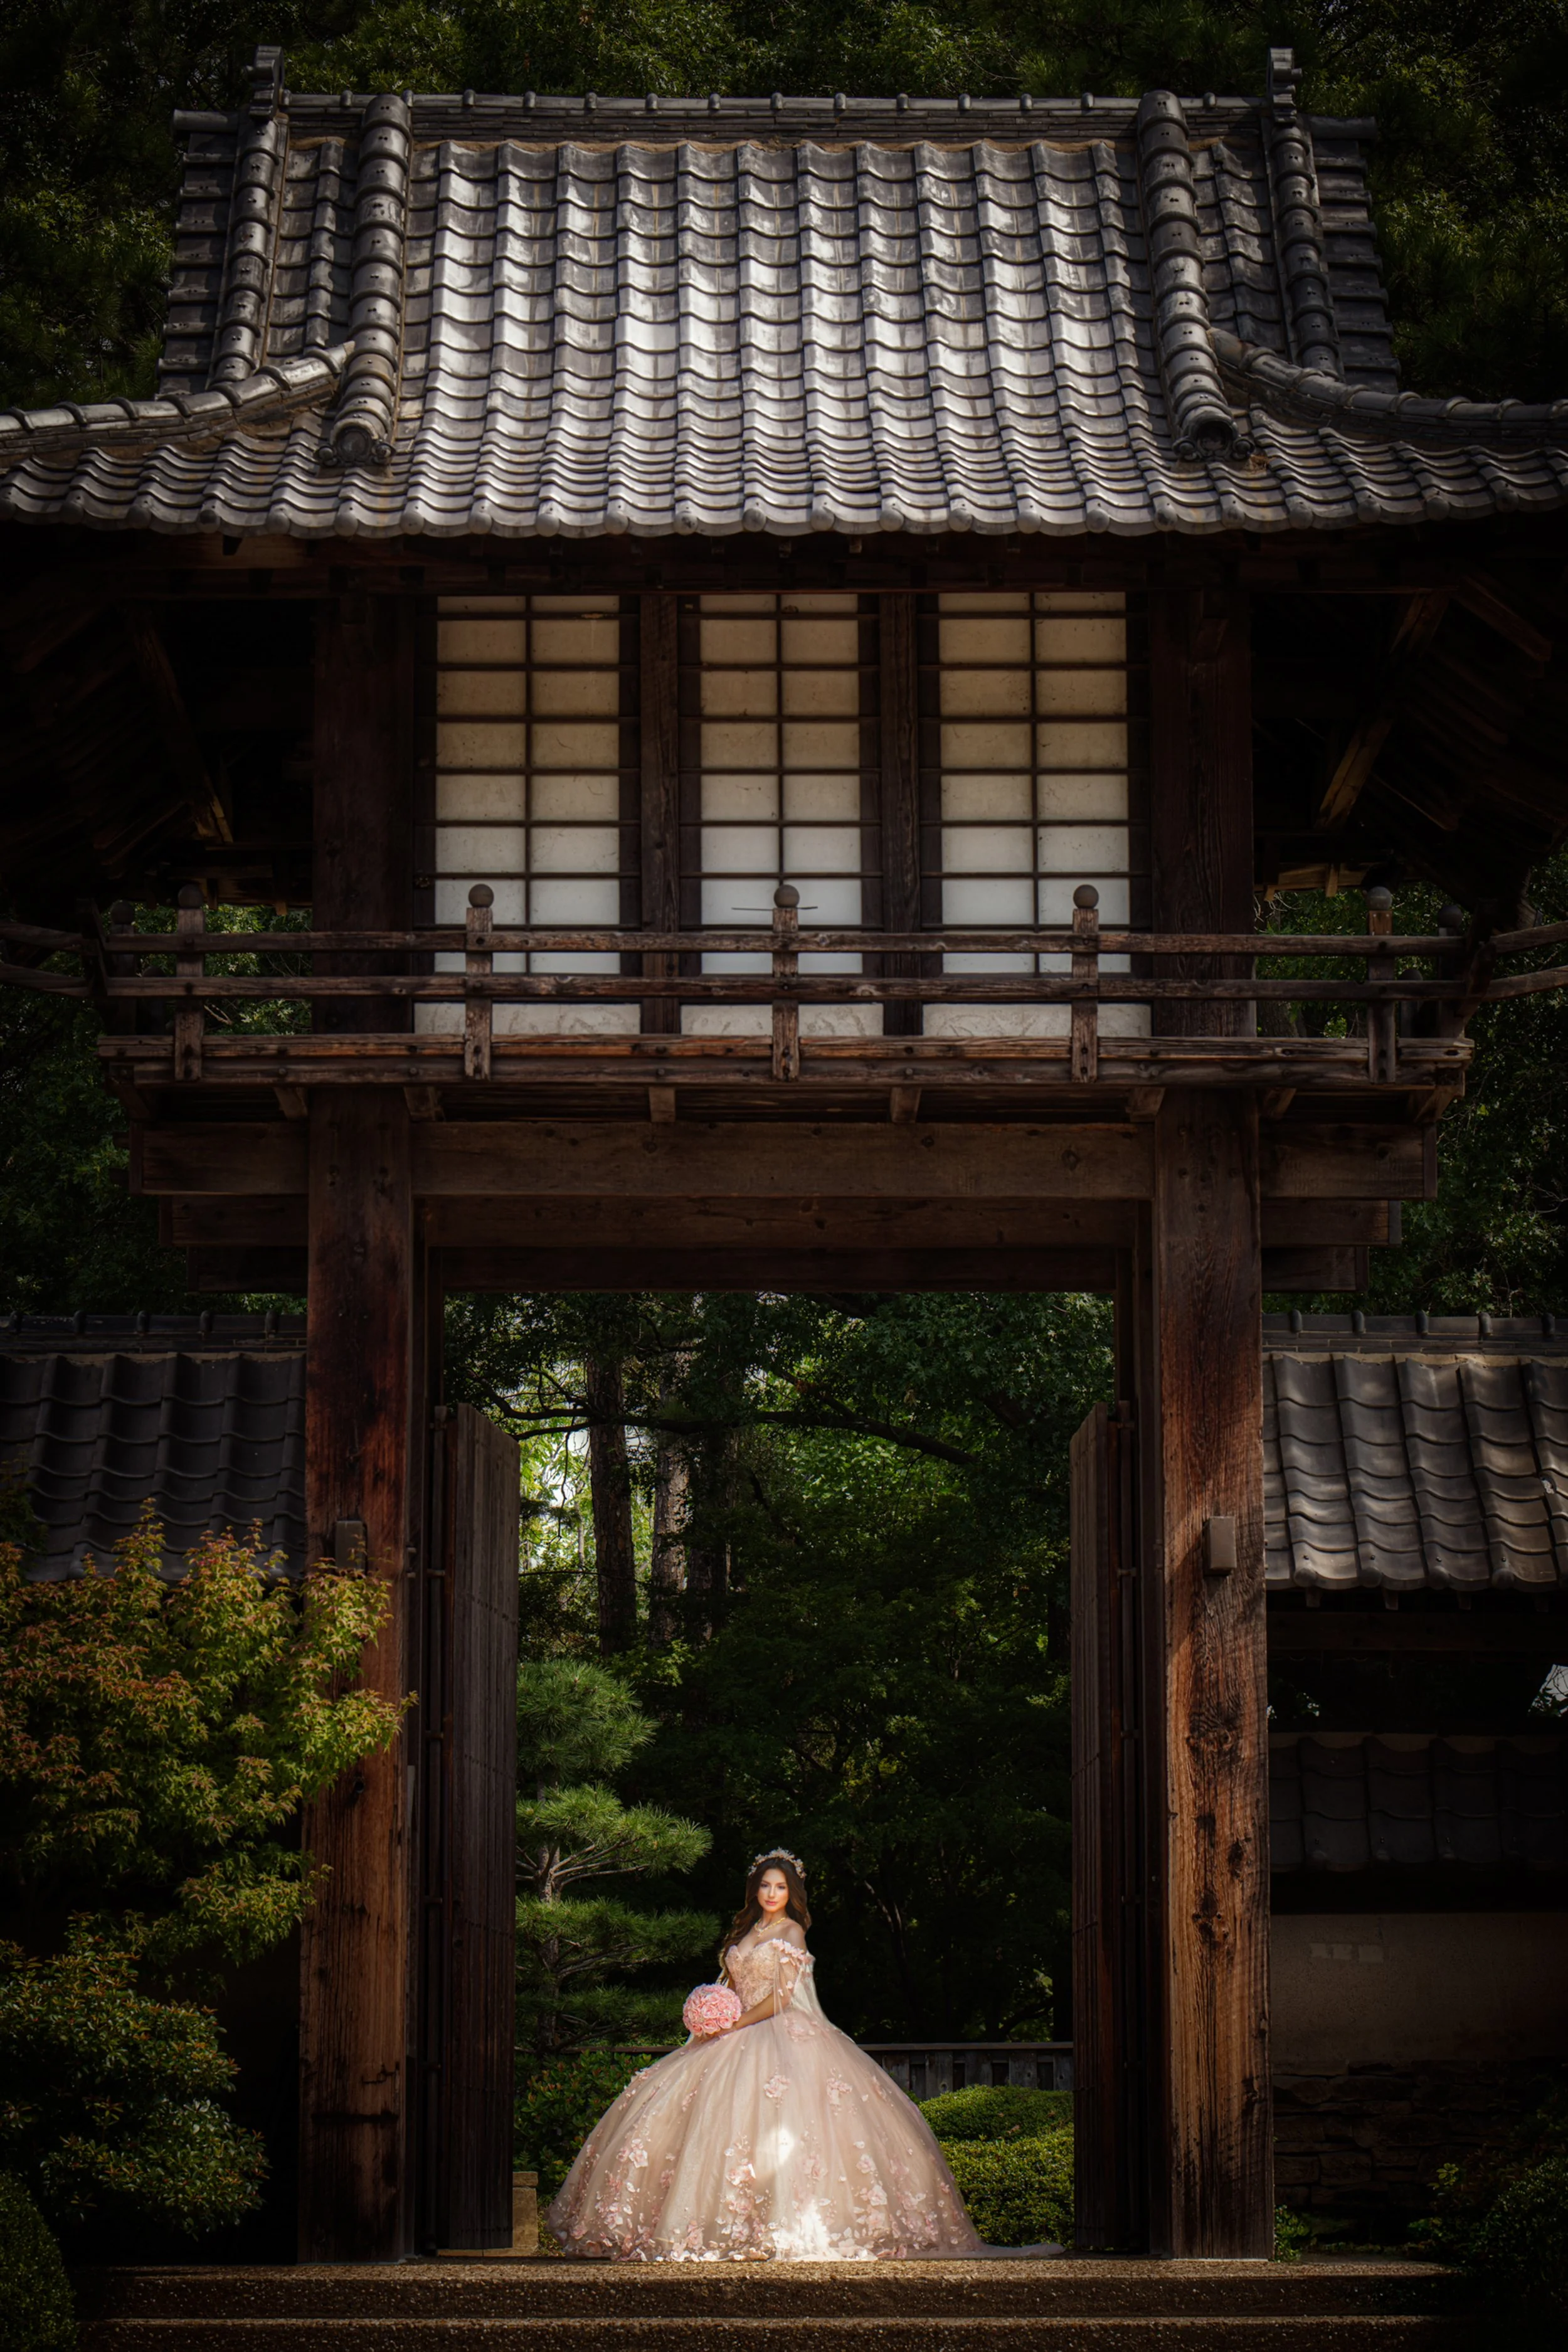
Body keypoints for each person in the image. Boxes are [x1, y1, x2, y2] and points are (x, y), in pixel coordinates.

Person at [545, 1848, 993, 2262]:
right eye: (765, 1886)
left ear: (791, 1893)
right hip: (733, 2030)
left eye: (780, 1887)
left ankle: (777, 2228)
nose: (772, 1894)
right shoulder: (744, 1931)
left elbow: (781, 1994)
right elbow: (733, 1986)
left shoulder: (791, 1931)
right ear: (755, 1890)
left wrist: (732, 2024)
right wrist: (711, 2013)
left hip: (774, 2030)